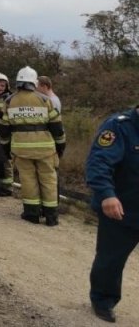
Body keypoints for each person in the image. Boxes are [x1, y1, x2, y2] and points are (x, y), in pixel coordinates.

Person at [86, 105, 139, 323]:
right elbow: (99, 162)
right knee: (111, 260)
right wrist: (107, 194)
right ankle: (103, 299)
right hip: (121, 208)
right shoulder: (119, 126)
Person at [0, 66, 65, 226]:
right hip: (46, 150)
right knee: (48, 180)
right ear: (34, 82)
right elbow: (57, 126)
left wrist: (6, 149)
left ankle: (31, 214)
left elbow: (3, 129)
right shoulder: (44, 100)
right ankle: (51, 217)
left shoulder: (9, 101)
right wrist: (60, 146)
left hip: (21, 149)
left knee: (28, 180)